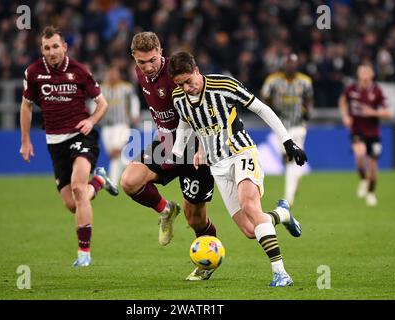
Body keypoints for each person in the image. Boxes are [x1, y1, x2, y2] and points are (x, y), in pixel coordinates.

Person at [168, 51, 306, 287]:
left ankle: (281, 273)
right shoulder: (178, 97)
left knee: (249, 204)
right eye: (180, 84)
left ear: (197, 71)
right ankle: (282, 214)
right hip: (217, 166)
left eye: (189, 81)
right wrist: (179, 152)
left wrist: (287, 140)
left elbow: (261, 109)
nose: (186, 88)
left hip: (241, 152)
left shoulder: (224, 86)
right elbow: (185, 121)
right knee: (251, 230)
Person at [120, 32, 217, 281]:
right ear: (134, 59)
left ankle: (208, 261)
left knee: (195, 218)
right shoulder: (140, 73)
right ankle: (165, 210)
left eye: (153, 60)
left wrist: (203, 147)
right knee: (129, 181)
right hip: (167, 142)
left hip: (195, 145)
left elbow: (204, 104)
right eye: (142, 62)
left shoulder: (177, 74)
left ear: (161, 51)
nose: (149, 67)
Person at [19, 26, 119, 267]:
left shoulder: (79, 71)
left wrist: (91, 120)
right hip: (55, 143)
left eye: (55, 46)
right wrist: (25, 140)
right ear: (41, 50)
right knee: (73, 204)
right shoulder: (33, 73)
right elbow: (26, 106)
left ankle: (84, 253)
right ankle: (100, 181)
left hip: (81, 137)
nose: (52, 52)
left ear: (64, 47)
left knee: (77, 187)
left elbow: (102, 104)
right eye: (46, 48)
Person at [261, 53, 313, 206]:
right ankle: (296, 178)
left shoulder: (305, 81)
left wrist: (307, 116)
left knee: (290, 158)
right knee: (287, 158)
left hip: (298, 125)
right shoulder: (273, 81)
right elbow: (264, 96)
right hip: (280, 125)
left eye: (293, 63)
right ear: (284, 64)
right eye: (288, 63)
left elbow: (309, 99)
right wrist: (270, 111)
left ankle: (288, 198)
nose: (290, 66)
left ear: (297, 65)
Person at [338, 64, 392, 206]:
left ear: (372, 75)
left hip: (373, 132)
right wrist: (345, 116)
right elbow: (342, 101)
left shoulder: (377, 91)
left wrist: (373, 112)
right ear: (359, 74)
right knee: (360, 153)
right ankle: (363, 179)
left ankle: (371, 193)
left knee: (373, 167)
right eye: (362, 72)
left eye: (367, 72)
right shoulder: (351, 89)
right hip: (357, 130)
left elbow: (388, 112)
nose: (365, 76)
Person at [96, 65, 140, 185]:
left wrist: (134, 115)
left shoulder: (126, 88)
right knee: (115, 155)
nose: (111, 75)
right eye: (109, 73)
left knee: (116, 151)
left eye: (114, 72)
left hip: (122, 125)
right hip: (106, 126)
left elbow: (134, 101)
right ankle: (135, 170)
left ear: (119, 74)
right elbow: (94, 104)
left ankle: (113, 182)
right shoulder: (101, 89)